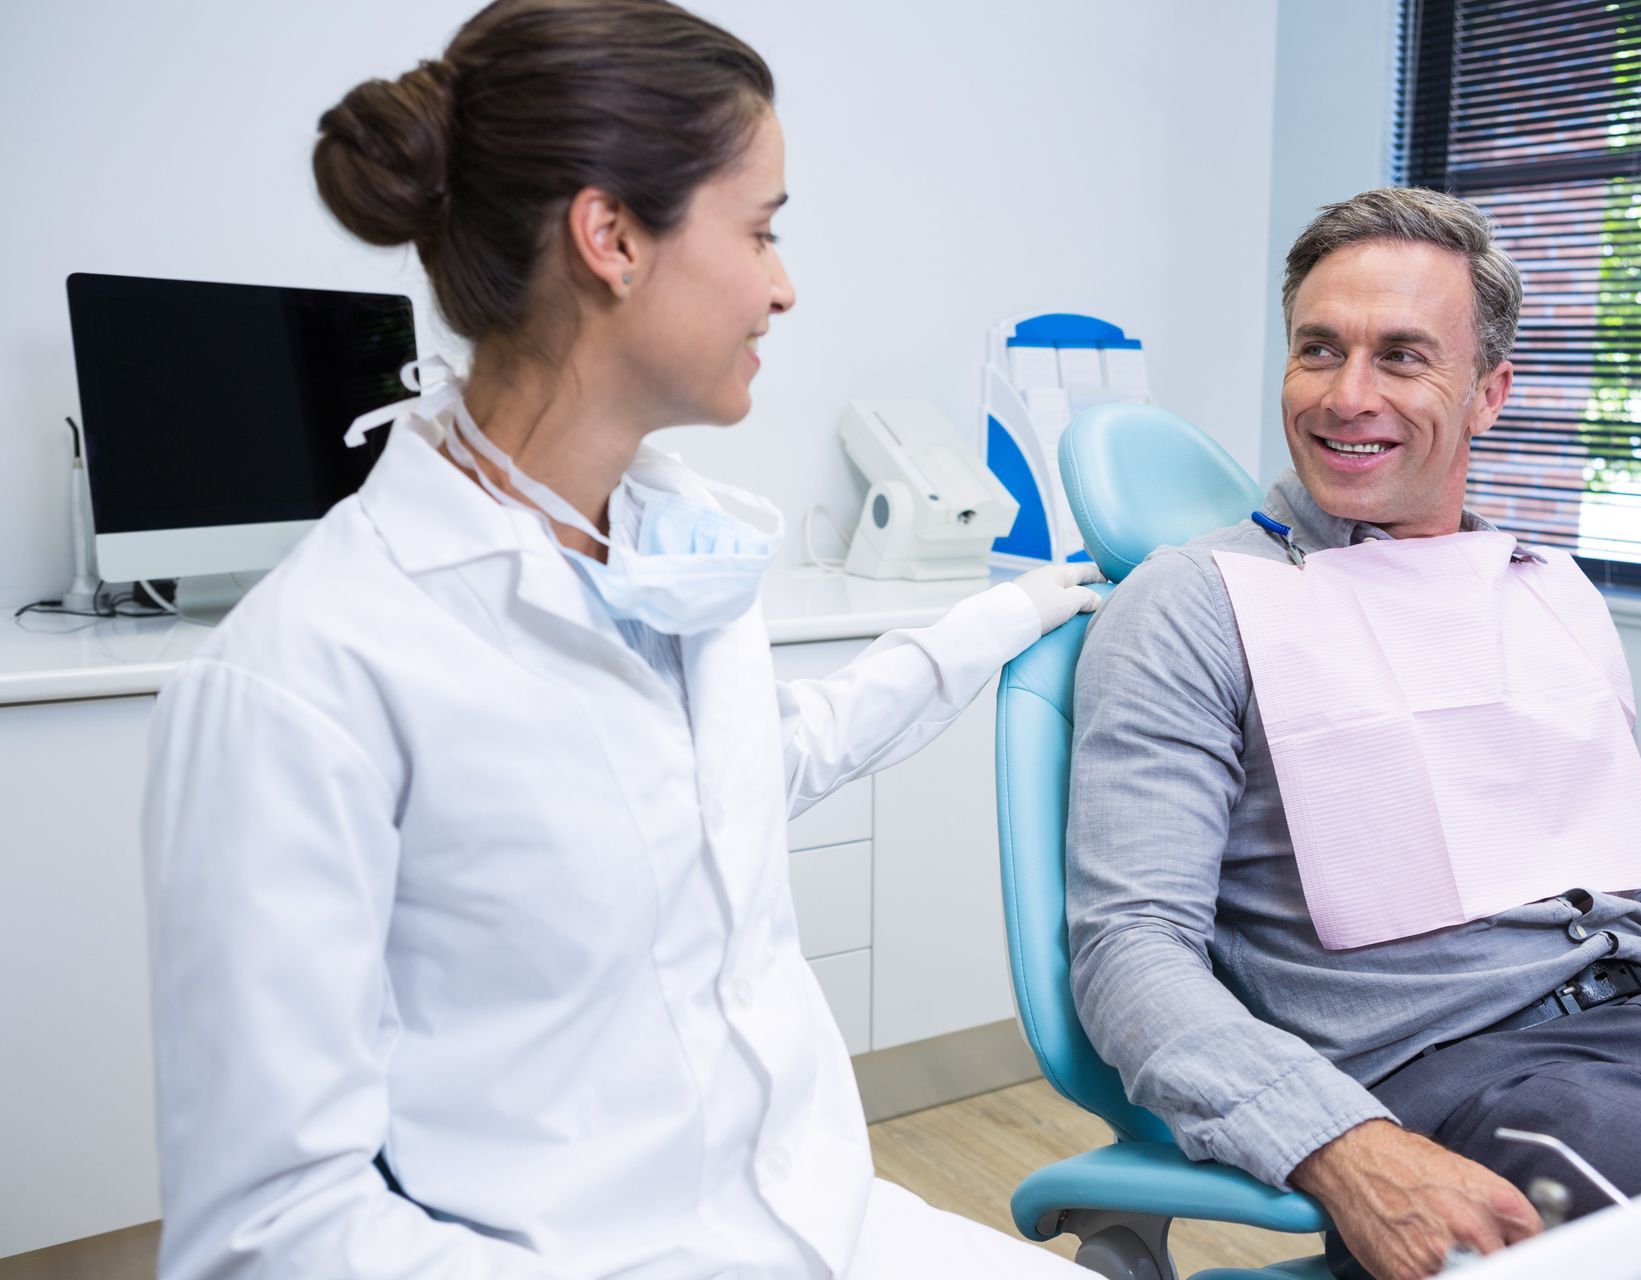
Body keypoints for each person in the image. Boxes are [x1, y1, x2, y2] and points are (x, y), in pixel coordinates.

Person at [141, 3, 1099, 1276]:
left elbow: (754, 764)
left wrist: (1014, 608)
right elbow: (270, 1233)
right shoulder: (308, 673)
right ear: (612, 239)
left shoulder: (668, 551)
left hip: (826, 1222)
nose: (783, 282)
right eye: (760, 228)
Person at [1064, 186, 1641, 1280]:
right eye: (1317, 349)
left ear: (1488, 391)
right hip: (1489, 1084)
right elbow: (1130, 951)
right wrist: (1346, 1145)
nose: (1347, 394)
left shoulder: (1542, 591)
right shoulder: (1194, 603)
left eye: (1404, 356)